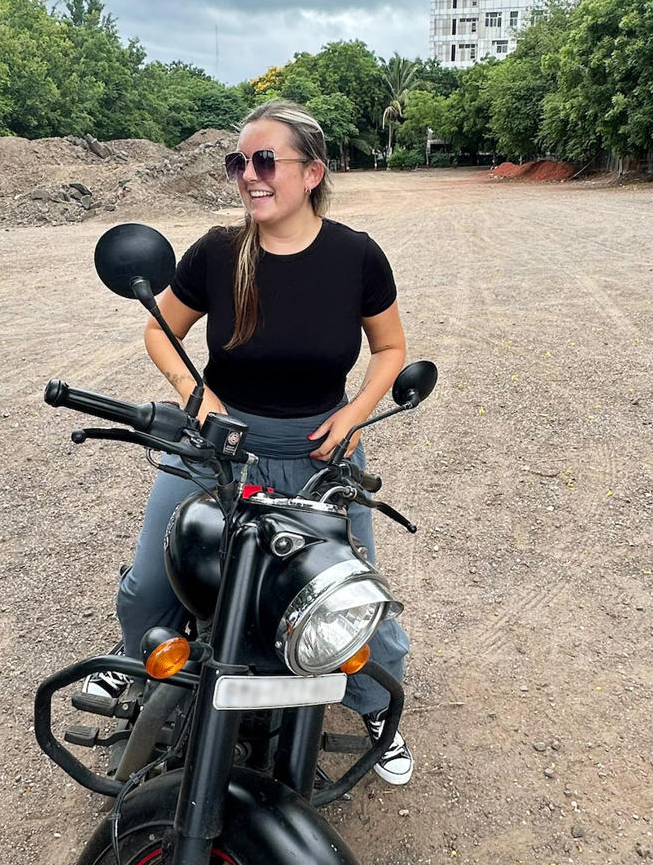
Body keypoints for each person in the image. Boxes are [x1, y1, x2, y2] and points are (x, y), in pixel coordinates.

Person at [88, 100, 413, 785]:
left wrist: (356, 411)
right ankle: (137, 670)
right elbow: (158, 329)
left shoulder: (356, 255)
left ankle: (379, 716)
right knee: (153, 583)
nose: (247, 175)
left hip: (322, 452)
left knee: (352, 598)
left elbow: (390, 348)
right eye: (239, 161)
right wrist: (195, 394)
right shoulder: (216, 251)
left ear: (312, 172)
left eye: (265, 160)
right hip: (218, 442)